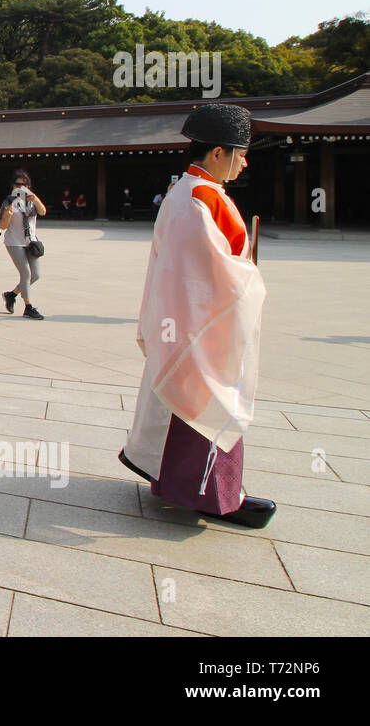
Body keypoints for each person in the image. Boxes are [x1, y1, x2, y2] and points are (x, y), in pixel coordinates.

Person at [119, 103, 275, 529]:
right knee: (206, 403)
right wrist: (248, 277)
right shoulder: (200, 199)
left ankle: (177, 483)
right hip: (199, 324)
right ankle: (213, 495)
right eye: (240, 154)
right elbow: (212, 272)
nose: (245, 162)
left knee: (179, 404)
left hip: (182, 319)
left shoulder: (186, 192)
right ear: (218, 153)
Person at [0, 169, 47, 320]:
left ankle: (11, 295)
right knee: (25, 274)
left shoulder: (31, 201)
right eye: (17, 184)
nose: (20, 187)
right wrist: (8, 214)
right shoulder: (9, 201)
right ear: (13, 186)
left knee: (36, 275)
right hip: (14, 242)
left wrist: (36, 200)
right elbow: (2, 226)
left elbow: (43, 211)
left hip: (30, 242)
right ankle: (28, 306)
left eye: (24, 185)